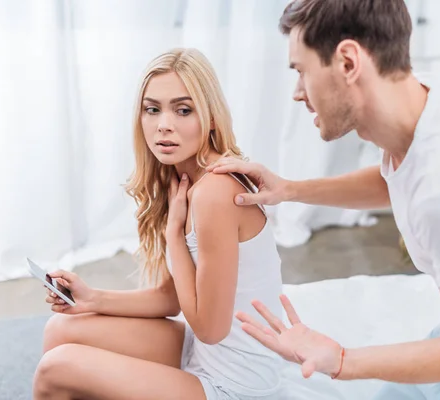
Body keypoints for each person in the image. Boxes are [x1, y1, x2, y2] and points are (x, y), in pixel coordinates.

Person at [207, 0, 440, 399]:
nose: (297, 93)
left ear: (347, 62)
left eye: (302, 72)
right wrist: (289, 190)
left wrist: (341, 360)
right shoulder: (436, 96)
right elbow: (396, 177)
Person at [32, 48, 284, 400]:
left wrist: (174, 239)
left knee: (55, 367)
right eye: (153, 109)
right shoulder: (184, 178)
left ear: (211, 118)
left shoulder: (214, 192)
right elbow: (171, 298)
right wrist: (91, 298)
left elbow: (211, 328)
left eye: (183, 110)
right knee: (62, 329)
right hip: (202, 353)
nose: (164, 124)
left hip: (235, 385)